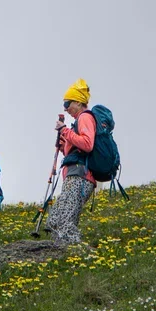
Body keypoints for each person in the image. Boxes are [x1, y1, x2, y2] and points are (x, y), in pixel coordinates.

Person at [46, 79, 98, 244]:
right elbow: (78, 147)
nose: (65, 108)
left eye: (67, 103)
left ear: (78, 102)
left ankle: (73, 251)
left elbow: (88, 144)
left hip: (80, 176)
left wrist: (65, 131)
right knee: (56, 218)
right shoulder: (79, 122)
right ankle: (63, 250)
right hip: (75, 174)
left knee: (65, 218)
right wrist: (64, 144)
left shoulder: (85, 118)